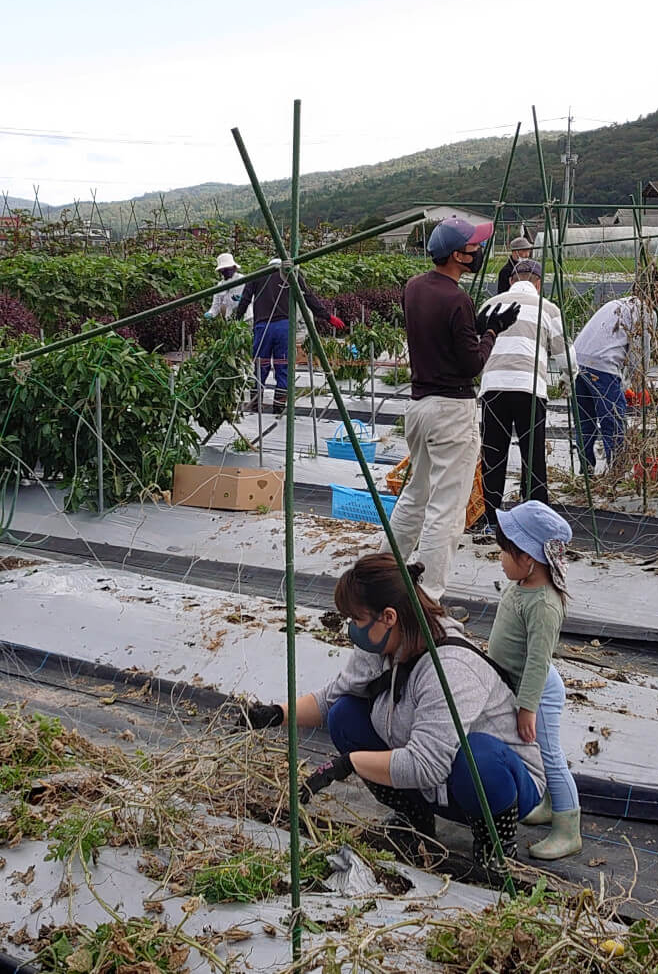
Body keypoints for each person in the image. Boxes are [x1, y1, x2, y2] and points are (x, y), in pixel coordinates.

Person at [246, 554, 543, 880]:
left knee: (476, 758)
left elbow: (428, 765)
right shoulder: (381, 645)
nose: (351, 630)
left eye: (357, 621)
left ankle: (494, 846)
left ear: (388, 616)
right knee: (345, 715)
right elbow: (331, 699)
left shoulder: (451, 668)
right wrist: (273, 715)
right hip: (436, 777)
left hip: (501, 783)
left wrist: (351, 763)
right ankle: (415, 819)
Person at [389, 217, 518, 601]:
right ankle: (428, 595)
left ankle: (386, 567)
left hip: (419, 407)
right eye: (473, 247)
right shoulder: (457, 298)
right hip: (451, 411)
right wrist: (491, 334)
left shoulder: (414, 288)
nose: (478, 252)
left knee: (416, 493)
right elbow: (471, 364)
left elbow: (439, 335)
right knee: (447, 507)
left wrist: (475, 325)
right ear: (457, 255)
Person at [490, 501, 582, 860]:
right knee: (542, 755)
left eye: (505, 552)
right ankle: (548, 804)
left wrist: (527, 706)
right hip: (526, 684)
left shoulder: (544, 604)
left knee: (550, 756)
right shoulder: (522, 585)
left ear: (529, 557)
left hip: (538, 691)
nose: (499, 558)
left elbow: (538, 661)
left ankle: (567, 828)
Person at [476, 259, 568, 515]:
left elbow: (476, 344)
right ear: (538, 283)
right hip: (529, 388)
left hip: (493, 387)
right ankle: (534, 514)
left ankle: (490, 517)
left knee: (493, 456)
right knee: (533, 456)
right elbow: (564, 356)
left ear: (510, 281)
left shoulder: (489, 305)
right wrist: (569, 379)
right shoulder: (547, 309)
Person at [570, 280, 658, 472]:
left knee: (585, 420)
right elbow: (640, 353)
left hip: (576, 362)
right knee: (613, 421)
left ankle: (586, 469)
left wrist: (623, 383)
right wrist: (638, 384)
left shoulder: (614, 304)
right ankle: (617, 470)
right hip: (602, 366)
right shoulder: (645, 311)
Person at [235, 257, 344, 414]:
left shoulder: (258, 274)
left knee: (260, 365)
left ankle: (255, 404)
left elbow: (245, 300)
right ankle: (279, 407)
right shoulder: (290, 273)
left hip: (262, 326)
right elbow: (308, 297)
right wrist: (327, 317)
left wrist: (237, 321)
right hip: (284, 327)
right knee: (283, 366)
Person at [205, 252, 248, 320]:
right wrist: (210, 314)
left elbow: (253, 297)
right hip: (231, 319)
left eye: (229, 269)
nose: (227, 272)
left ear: (234, 268)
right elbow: (216, 306)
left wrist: (242, 299)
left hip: (246, 316)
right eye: (224, 270)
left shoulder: (243, 280)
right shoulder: (220, 286)